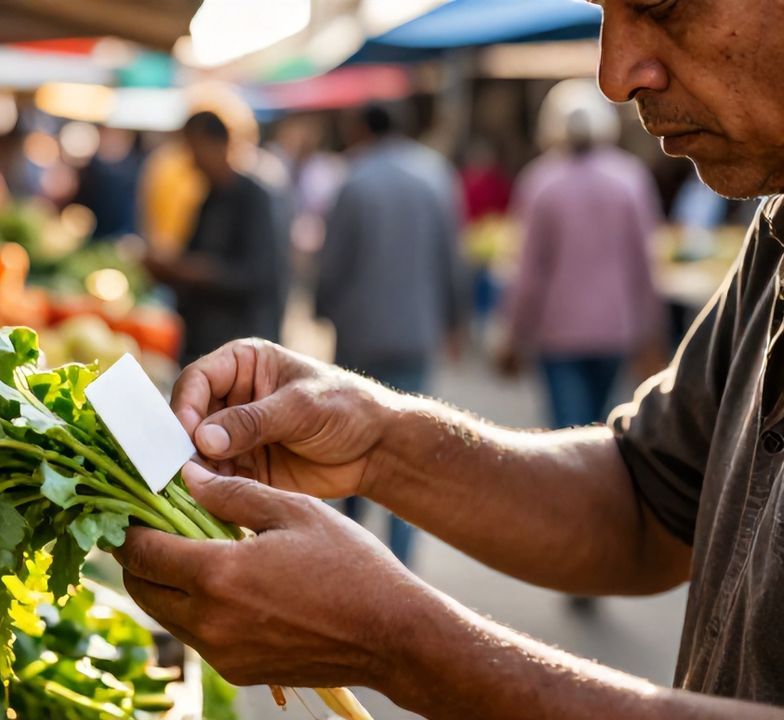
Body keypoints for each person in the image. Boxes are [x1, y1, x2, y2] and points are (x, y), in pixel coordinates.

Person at [114, 0, 784, 715]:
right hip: (472, 331)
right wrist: (375, 434)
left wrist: (395, 638)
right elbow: (648, 494)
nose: (615, 76)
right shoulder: (771, 234)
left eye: (662, 5)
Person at [316, 102, 467, 567]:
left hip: (360, 332)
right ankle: (401, 562)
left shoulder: (354, 180)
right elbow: (452, 257)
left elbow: (332, 262)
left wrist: (323, 309)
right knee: (409, 447)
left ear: (362, 127)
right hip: (415, 331)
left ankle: (349, 552)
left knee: (351, 441)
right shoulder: (434, 176)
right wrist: (455, 321)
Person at [500, 82, 664, 434]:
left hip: (558, 331)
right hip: (616, 329)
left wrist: (513, 335)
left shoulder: (541, 181)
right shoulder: (629, 179)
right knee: (601, 429)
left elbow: (528, 272)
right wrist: (650, 332)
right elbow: (645, 265)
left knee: (567, 433)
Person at [145, 112, 285, 365]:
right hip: (204, 339)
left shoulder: (253, 199)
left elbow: (257, 274)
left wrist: (191, 271)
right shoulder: (209, 199)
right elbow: (191, 254)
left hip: (241, 344)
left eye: (196, 148)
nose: (193, 160)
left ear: (220, 144)